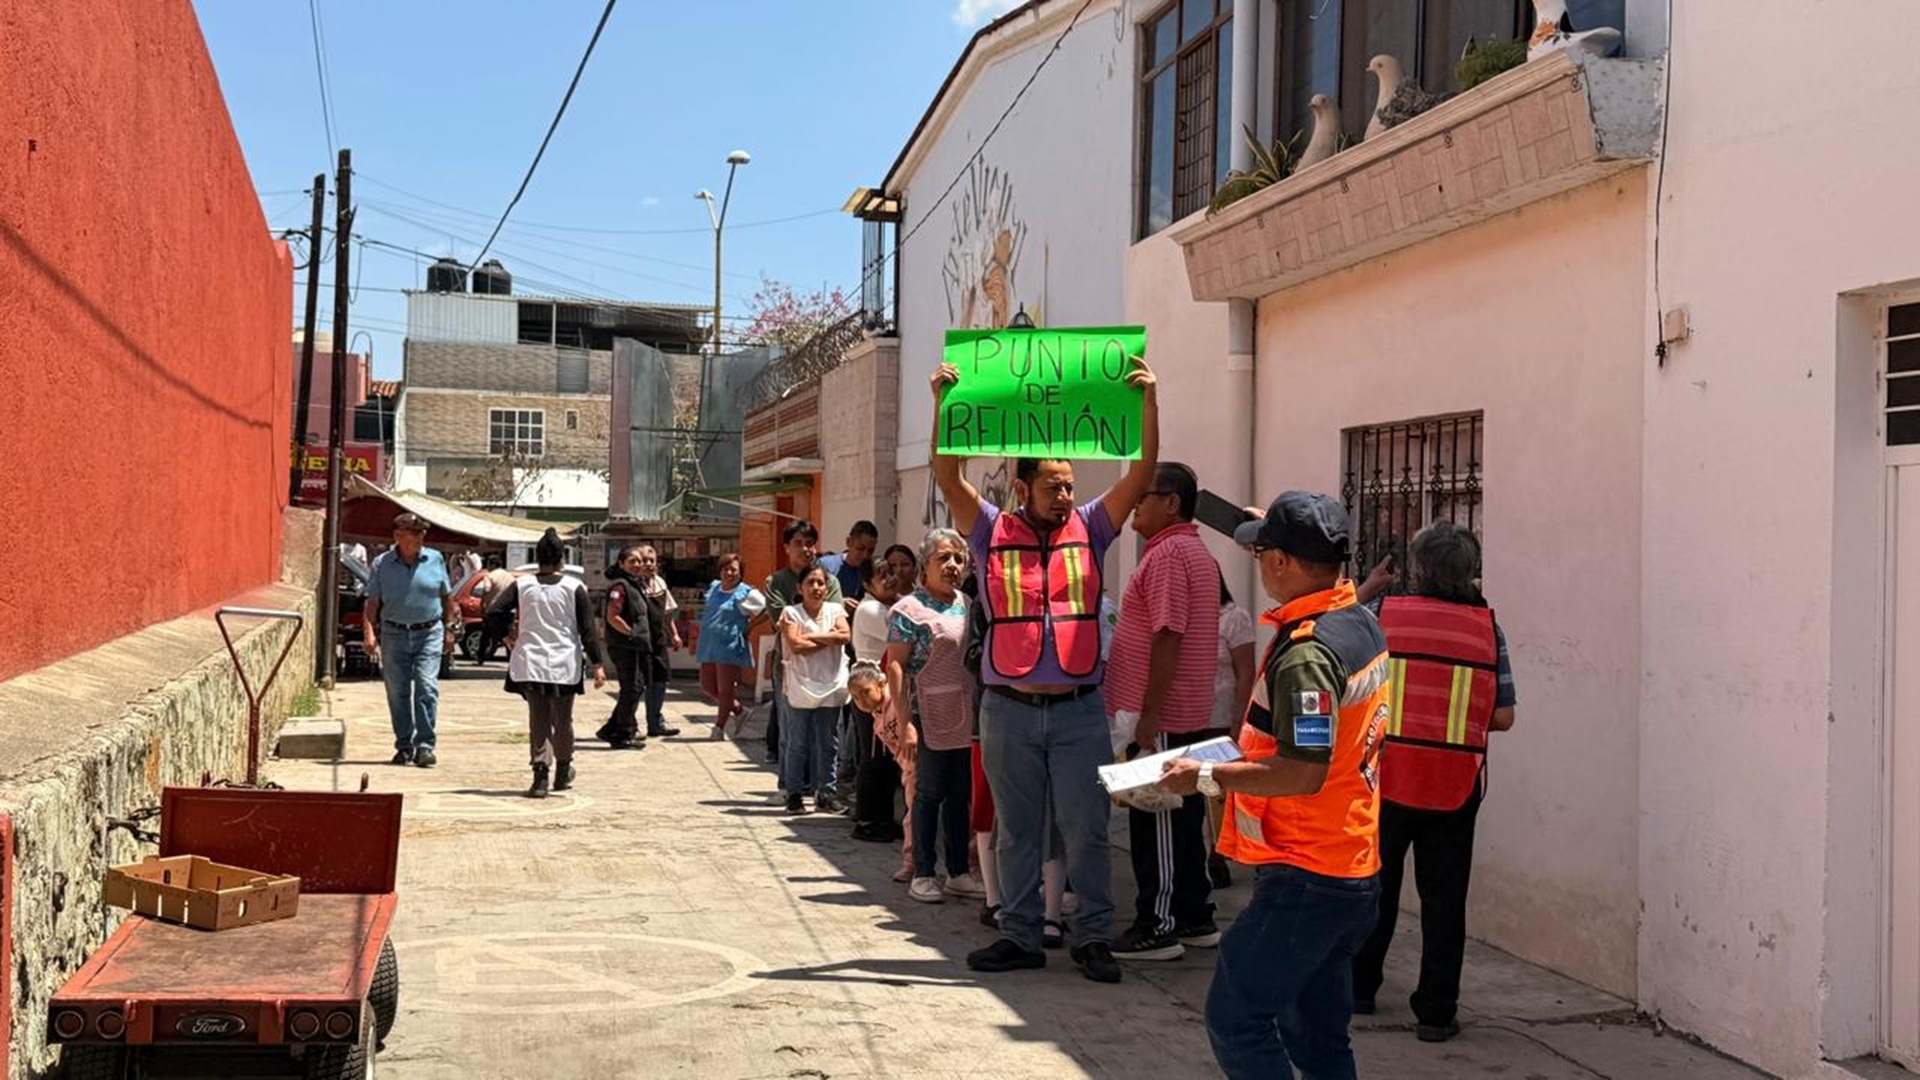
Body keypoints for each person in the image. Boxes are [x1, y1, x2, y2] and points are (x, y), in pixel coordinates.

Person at [928, 352, 1160, 985]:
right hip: (1007, 709)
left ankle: (1091, 938)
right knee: (1017, 831)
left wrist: (1148, 404)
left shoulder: (1094, 527)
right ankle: (1022, 935)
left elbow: (1140, 474)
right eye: (1055, 485)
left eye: (1070, 484)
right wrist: (944, 404)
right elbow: (948, 477)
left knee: (1086, 830)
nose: (1067, 494)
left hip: (1081, 708)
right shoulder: (990, 530)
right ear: (1022, 489)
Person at [1159, 491, 1390, 1080]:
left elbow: (1302, 770)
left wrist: (1204, 776)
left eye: (1264, 554)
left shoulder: (1308, 655)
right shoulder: (1358, 619)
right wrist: (1276, 528)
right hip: (1350, 866)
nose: (1258, 564)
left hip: (1308, 874)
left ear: (1284, 562)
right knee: (1317, 1038)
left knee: (1236, 1018)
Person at [1348, 522, 1517, 1043]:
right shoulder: (1488, 629)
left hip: (1388, 776)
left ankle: (1359, 988)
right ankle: (1437, 1011)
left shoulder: (1384, 616)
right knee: (1445, 902)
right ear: (1470, 573)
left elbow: (1341, 661)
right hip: (1454, 785)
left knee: (1377, 888)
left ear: (1419, 569)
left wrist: (1367, 591)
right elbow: (1504, 717)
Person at [1104, 462, 1223, 962]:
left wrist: (1149, 718)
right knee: (1185, 814)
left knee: (1159, 820)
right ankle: (1195, 915)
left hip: (1165, 716)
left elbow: (1168, 634)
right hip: (1177, 712)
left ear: (1171, 503)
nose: (1134, 502)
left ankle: (1160, 923)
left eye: (1144, 495)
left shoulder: (1172, 554)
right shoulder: (1185, 551)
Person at [886, 529, 985, 905]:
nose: (953, 566)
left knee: (961, 796)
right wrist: (905, 721)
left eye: (958, 558)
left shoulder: (967, 603)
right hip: (925, 713)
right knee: (928, 794)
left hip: (964, 714)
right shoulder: (908, 610)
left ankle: (958, 871)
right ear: (925, 565)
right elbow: (896, 666)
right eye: (943, 558)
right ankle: (924, 872)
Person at [485, 529, 607, 798]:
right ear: (562, 559)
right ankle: (563, 769)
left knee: (538, 719)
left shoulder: (523, 585)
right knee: (562, 719)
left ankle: (540, 775)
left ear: (537, 558)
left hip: (531, 661)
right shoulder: (575, 587)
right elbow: (588, 629)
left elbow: (493, 611)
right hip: (565, 663)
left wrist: (506, 635)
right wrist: (597, 664)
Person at [362, 513, 457, 768]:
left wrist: (450, 629)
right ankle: (404, 746)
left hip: (429, 633)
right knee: (398, 692)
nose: (419, 538)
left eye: (422, 533)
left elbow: (447, 598)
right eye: (414, 533)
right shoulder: (382, 564)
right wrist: (369, 634)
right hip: (394, 634)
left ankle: (425, 746)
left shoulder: (435, 559)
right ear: (398, 536)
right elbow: (372, 603)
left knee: (426, 687)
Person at [764, 521, 843, 769]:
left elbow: (839, 626)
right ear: (786, 547)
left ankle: (820, 788)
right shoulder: (776, 582)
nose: (805, 549)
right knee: (791, 734)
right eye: (798, 543)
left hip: (827, 669)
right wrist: (821, 635)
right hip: (789, 668)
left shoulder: (829, 582)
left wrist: (802, 637)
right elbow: (786, 632)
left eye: (810, 543)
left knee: (824, 736)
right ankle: (791, 787)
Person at [779, 565, 851, 813]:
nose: (816, 588)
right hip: (801, 684)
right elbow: (796, 645)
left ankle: (826, 792)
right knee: (797, 743)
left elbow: (845, 635)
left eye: (821, 583)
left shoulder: (835, 609)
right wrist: (827, 637)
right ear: (800, 588)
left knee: (828, 742)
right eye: (810, 583)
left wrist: (813, 638)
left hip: (831, 684)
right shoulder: (791, 613)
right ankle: (795, 793)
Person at [850, 554, 908, 842]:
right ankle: (868, 820)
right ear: (867, 584)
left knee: (885, 757)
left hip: (882, 689)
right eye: (882, 575)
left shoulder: (885, 605)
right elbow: (902, 634)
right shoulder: (871, 609)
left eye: (891, 572)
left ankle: (883, 817)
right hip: (869, 692)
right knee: (873, 757)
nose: (890, 578)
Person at [1207, 572, 1259, 890]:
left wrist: (1238, 720)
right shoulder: (1189, 614)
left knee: (1216, 793)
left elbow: (1245, 672)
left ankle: (1217, 854)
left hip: (1222, 716)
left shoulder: (1234, 618)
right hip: (1192, 716)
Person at [597, 546, 657, 751]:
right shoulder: (620, 587)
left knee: (636, 687)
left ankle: (612, 728)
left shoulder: (635, 585)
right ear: (621, 564)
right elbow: (612, 616)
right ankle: (622, 734)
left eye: (640, 561)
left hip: (636, 646)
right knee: (631, 688)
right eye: (632, 561)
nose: (638, 564)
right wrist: (631, 633)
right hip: (625, 646)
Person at [697, 553, 758, 741]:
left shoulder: (746, 593)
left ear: (741, 573)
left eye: (734, 570)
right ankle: (739, 710)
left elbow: (766, 610)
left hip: (729, 645)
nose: (729, 573)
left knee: (725, 689)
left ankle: (719, 727)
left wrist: (749, 627)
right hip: (709, 644)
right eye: (726, 569)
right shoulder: (714, 588)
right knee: (707, 686)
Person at [634, 544, 682, 739]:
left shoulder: (660, 583)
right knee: (637, 685)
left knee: (660, 682)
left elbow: (667, 614)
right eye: (644, 560)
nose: (648, 564)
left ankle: (655, 723)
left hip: (659, 642)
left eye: (651, 561)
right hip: (639, 642)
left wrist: (675, 635)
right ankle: (631, 724)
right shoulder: (633, 585)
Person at [818, 520, 879, 607]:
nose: (865, 555)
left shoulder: (873, 572)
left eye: (870, 551)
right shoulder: (826, 566)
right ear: (848, 542)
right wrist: (838, 602)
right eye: (860, 548)